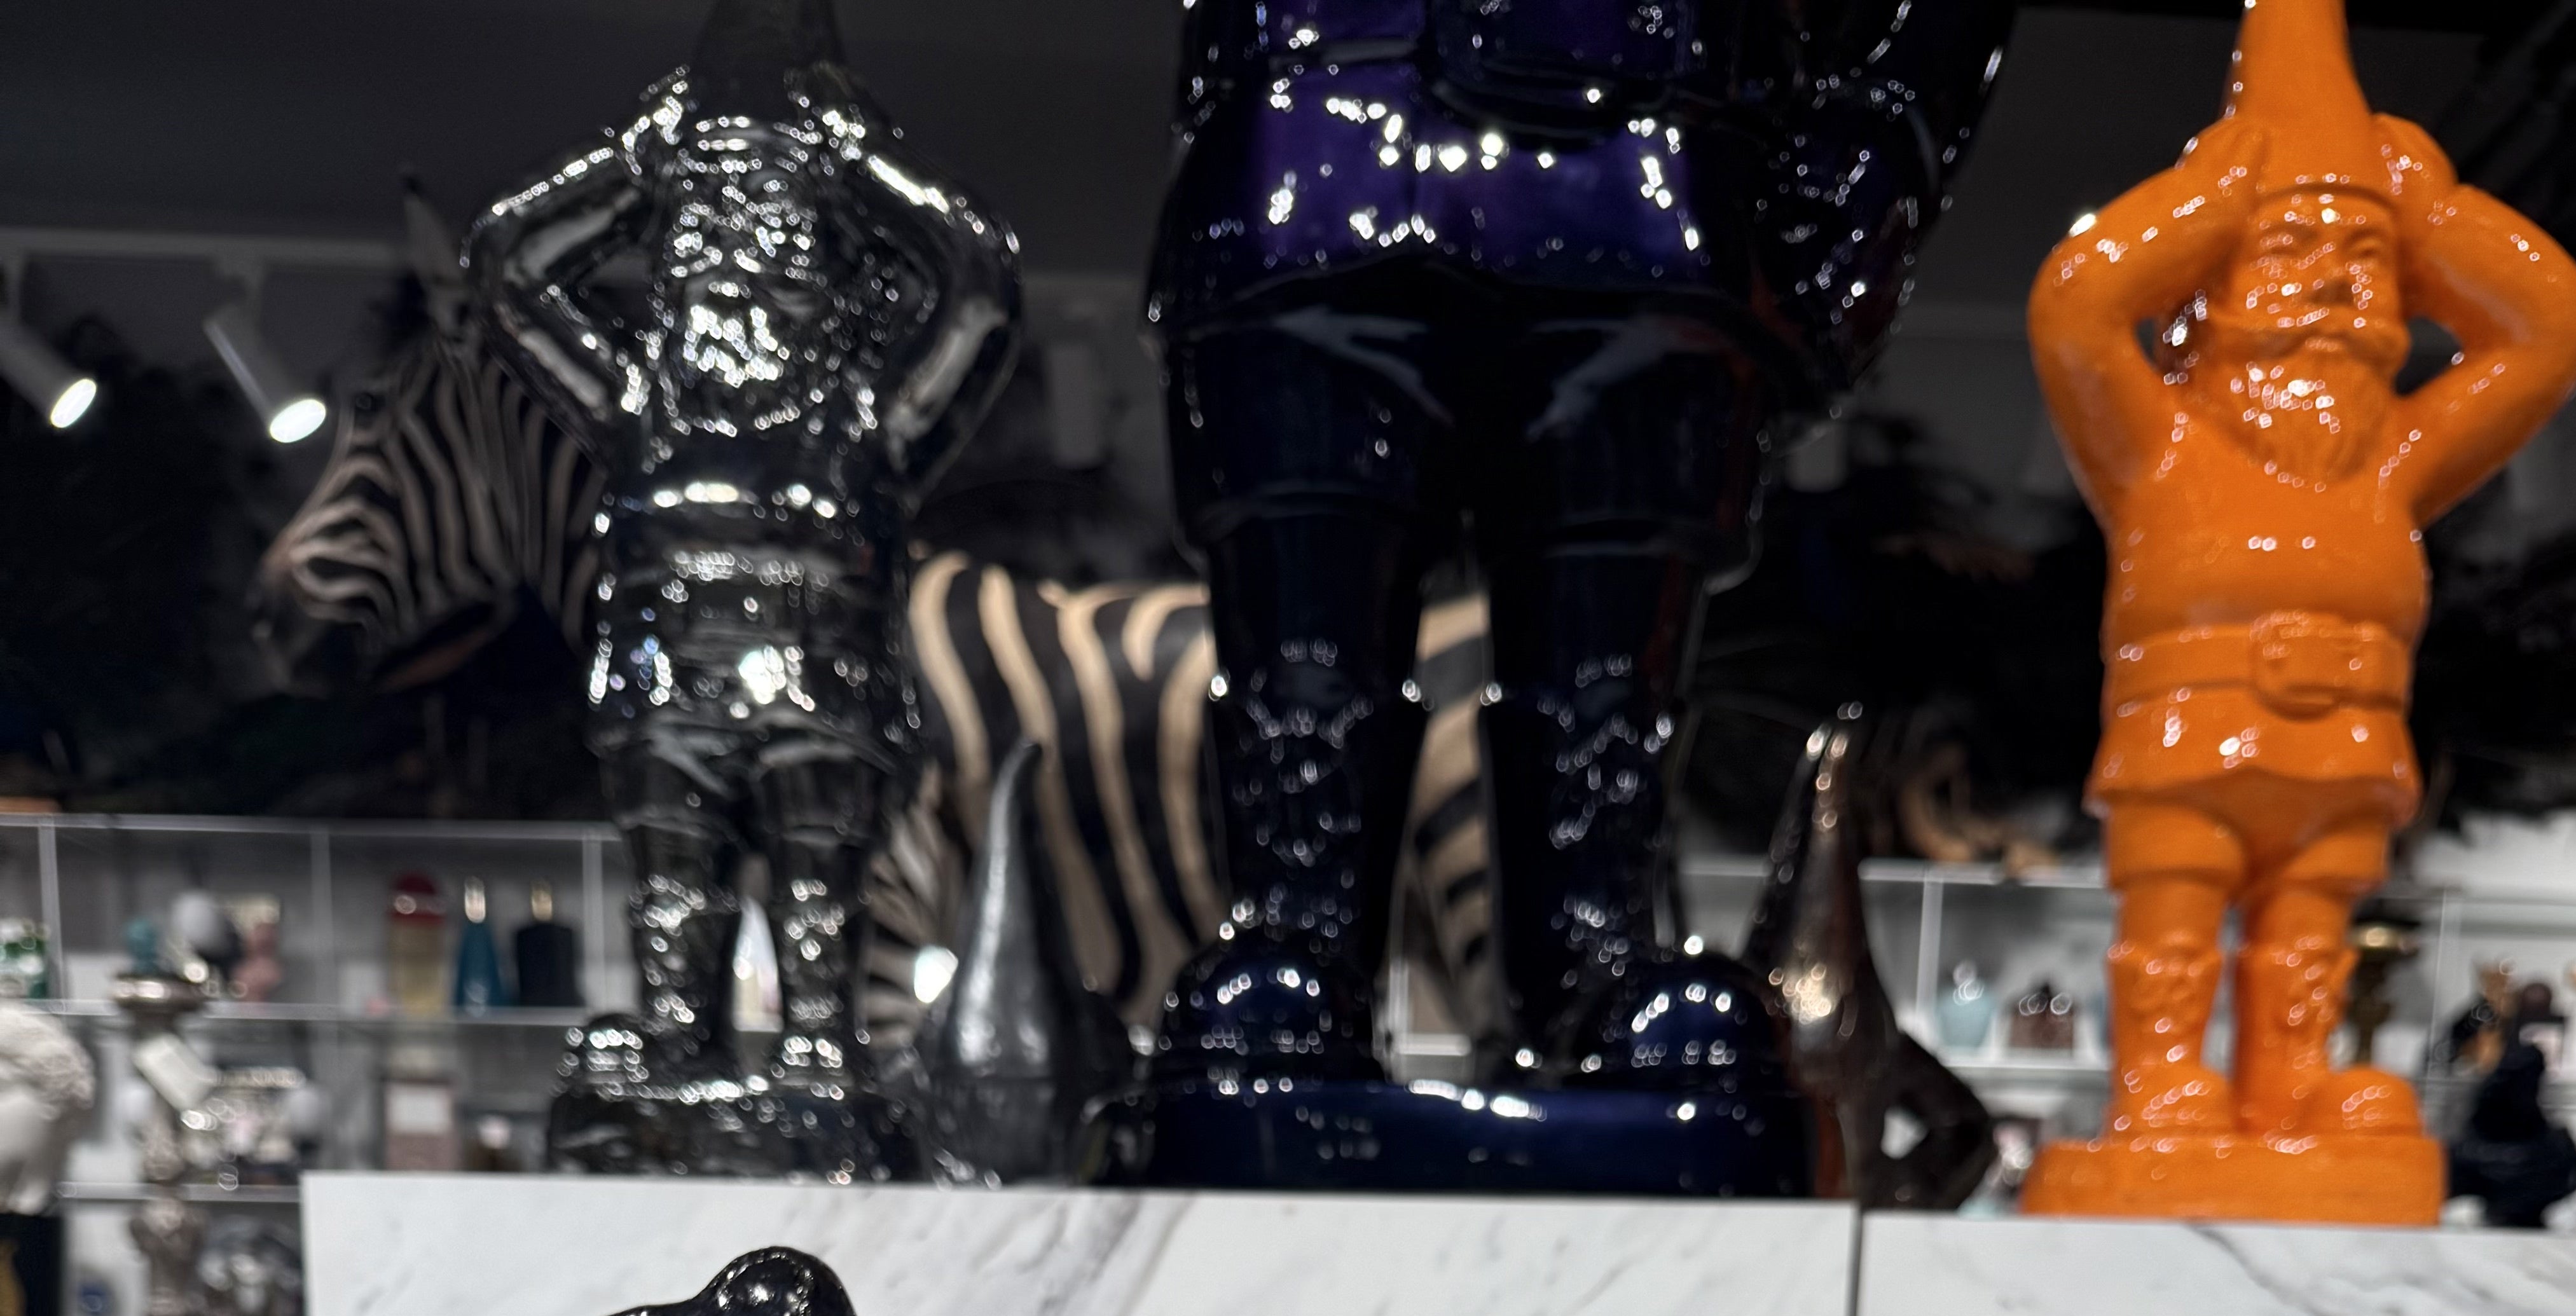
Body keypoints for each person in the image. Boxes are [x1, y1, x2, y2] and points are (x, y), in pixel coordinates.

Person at [1147, 0, 2018, 1099]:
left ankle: (1582, 969)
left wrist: (1881, 146)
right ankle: (1305, 939)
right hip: (1312, 156)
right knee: (1307, 665)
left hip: (1645, 179)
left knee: (1603, 675)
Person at [2023, 0, 2576, 1219]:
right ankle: (2162, 1081)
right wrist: (2207, 207)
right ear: (2211, 285)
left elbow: (2550, 331)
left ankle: (2288, 1094)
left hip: (2347, 737)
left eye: (2366, 260)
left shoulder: (2397, 459)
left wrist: (2429, 214)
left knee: (2309, 933)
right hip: (2190, 729)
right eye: (2291, 251)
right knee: (2176, 914)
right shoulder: (2159, 446)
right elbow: (2076, 306)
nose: (2335, 282)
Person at [473, 0, 1017, 1175]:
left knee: (820, 926)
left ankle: (819, 1066)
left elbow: (979, 281)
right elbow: (509, 262)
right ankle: (680, 1060)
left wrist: (856, 163)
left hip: (820, 678)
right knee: (674, 917)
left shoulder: (864, 423)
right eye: (708, 220)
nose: (735, 247)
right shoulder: (640, 409)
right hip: (666, 678)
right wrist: (639, 159)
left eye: (772, 220)